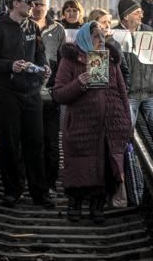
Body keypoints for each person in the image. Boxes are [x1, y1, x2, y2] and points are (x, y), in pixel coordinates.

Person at [53, 21, 131, 223]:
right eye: (96, 36)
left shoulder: (110, 60)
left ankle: (98, 206)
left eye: (103, 37)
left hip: (109, 126)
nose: (101, 41)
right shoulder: (70, 60)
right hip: (81, 126)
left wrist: (126, 122)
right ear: (85, 38)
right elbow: (59, 94)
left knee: (104, 166)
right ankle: (75, 203)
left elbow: (122, 92)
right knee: (79, 167)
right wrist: (79, 83)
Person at [0, 0, 54, 208]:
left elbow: (39, 51)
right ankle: (12, 190)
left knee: (35, 143)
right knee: (10, 144)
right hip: (8, 94)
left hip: (32, 93)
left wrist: (44, 66)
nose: (33, 6)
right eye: (28, 2)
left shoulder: (32, 26)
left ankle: (39, 192)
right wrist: (10, 65)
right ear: (14, 3)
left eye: (34, 2)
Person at [114, 0, 153, 182]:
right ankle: (125, 175)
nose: (141, 15)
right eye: (137, 13)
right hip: (130, 94)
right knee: (125, 136)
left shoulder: (148, 32)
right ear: (126, 16)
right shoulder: (116, 36)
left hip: (151, 92)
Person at [31, 0, 65, 195]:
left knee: (52, 143)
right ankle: (35, 183)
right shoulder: (24, 26)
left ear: (48, 5)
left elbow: (63, 61)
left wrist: (58, 86)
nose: (37, 8)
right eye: (34, 4)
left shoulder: (58, 29)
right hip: (28, 93)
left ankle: (50, 183)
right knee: (33, 142)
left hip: (50, 94)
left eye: (41, 4)